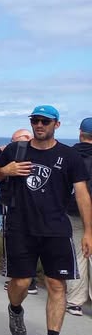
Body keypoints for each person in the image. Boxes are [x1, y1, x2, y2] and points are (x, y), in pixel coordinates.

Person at [0, 105, 92, 335]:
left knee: (57, 286)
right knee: (21, 283)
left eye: (45, 121)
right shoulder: (16, 150)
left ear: (56, 125)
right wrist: (6, 170)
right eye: (35, 120)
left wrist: (89, 232)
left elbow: (82, 194)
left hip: (56, 229)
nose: (39, 125)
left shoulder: (69, 156)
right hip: (20, 227)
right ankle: (15, 310)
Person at [0, 129, 38, 294]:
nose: (12, 145)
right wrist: (3, 157)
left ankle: (22, 280)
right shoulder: (17, 153)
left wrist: (6, 156)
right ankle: (26, 280)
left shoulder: (25, 155)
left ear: (27, 139)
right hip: (19, 205)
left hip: (18, 206)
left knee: (18, 242)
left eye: (15, 141)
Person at [66, 117, 92, 316]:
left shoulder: (68, 154)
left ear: (80, 133)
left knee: (77, 254)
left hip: (73, 210)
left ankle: (75, 301)